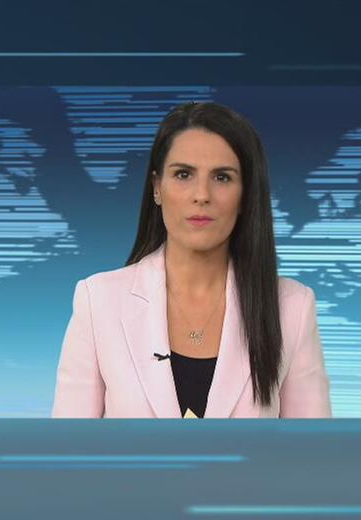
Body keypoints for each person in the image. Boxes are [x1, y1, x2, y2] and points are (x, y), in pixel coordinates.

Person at [52, 102, 331, 418]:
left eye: (222, 177)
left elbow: (313, 446)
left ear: (246, 195)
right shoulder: (99, 301)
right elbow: (69, 444)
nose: (202, 195)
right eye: (183, 174)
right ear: (157, 188)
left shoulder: (292, 307)